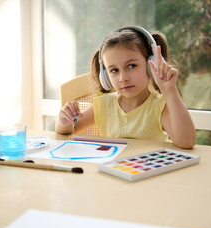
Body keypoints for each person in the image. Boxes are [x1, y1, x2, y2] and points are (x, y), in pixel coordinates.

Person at [55, 26, 196, 149]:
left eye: (131, 66)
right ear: (105, 76)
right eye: (114, 70)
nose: (123, 78)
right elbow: (68, 130)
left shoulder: (159, 107)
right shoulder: (104, 104)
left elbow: (186, 142)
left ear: (150, 65)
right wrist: (64, 121)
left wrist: (169, 89)